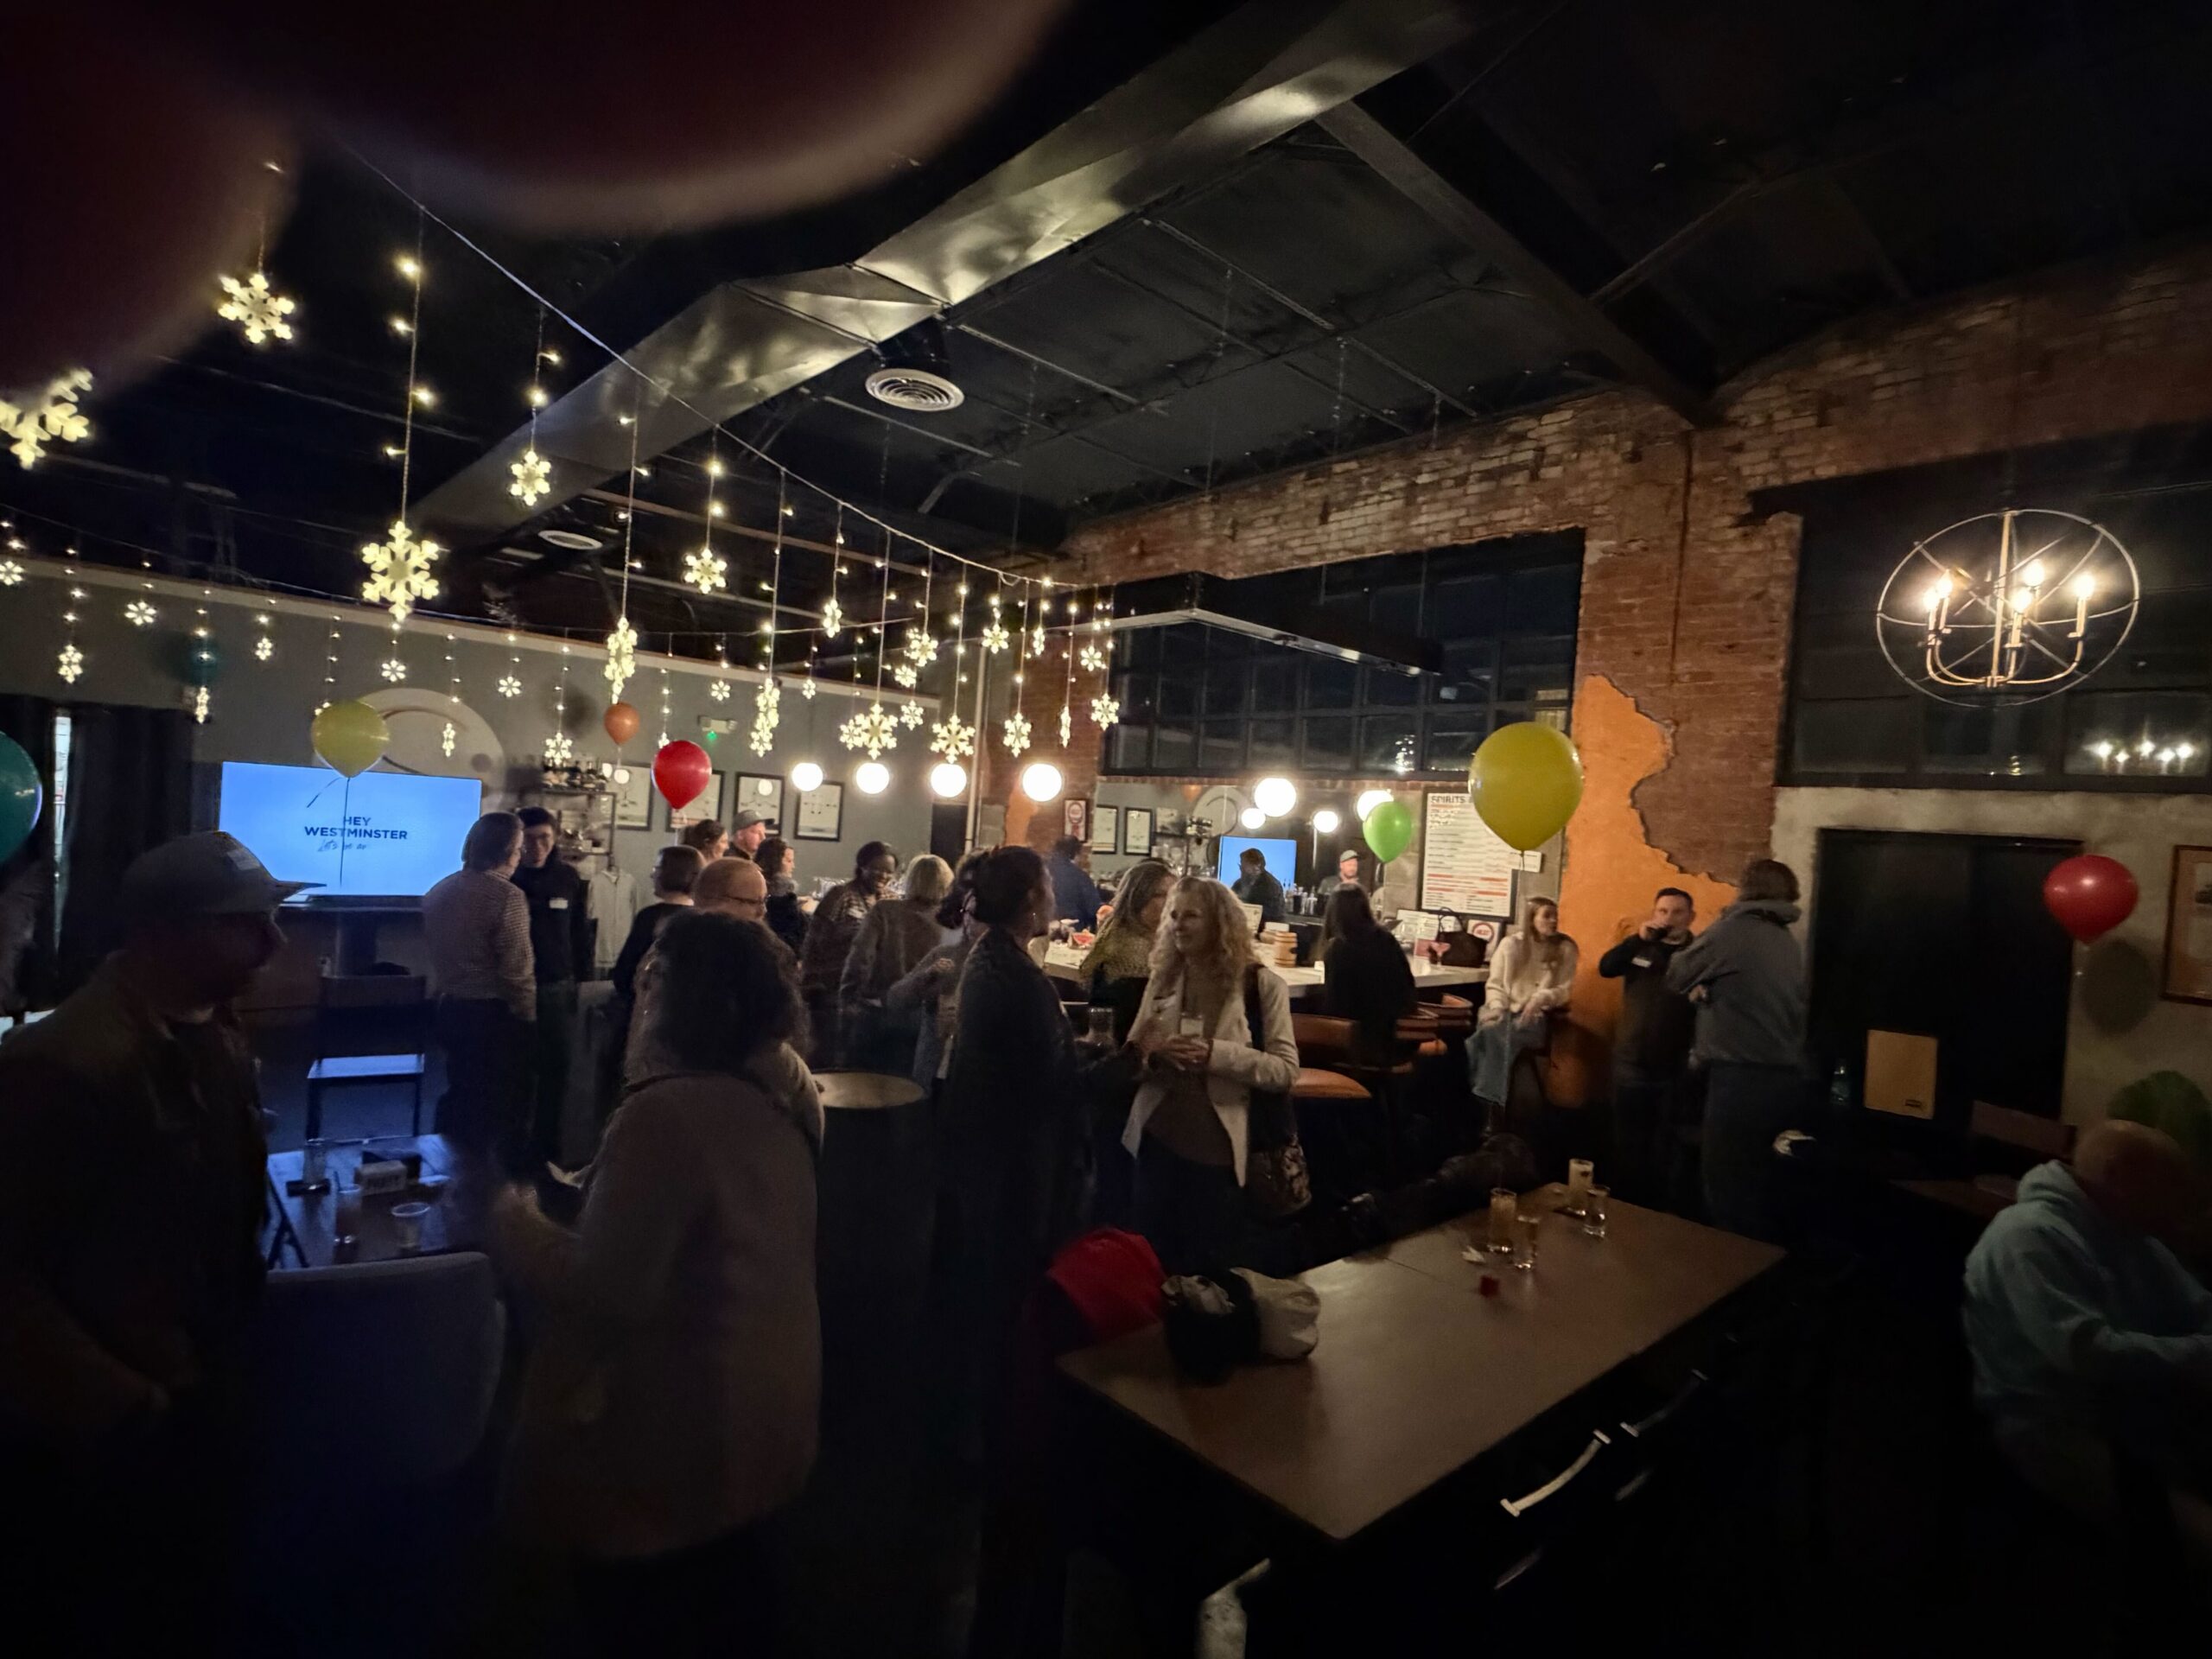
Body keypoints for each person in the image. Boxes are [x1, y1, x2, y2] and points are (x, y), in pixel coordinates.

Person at [0, 831, 303, 1648]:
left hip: (196, 1380)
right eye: (245, 923)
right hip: (111, 1431)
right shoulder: (62, 1064)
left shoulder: (212, 1029)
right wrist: (125, 1404)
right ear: (163, 934)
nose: (274, 942)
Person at [495, 912, 822, 1657]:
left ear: (669, 995)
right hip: (768, 1416)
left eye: (650, 981)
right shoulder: (775, 1098)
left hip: (676, 1447)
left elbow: (607, 1290)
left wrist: (513, 1220)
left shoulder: (664, 1113)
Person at [939, 847, 1135, 1446]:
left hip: (989, 1155)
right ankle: (1008, 1428)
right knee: (1013, 1293)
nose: (1054, 893)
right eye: (1047, 884)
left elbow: (1021, 1061)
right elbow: (1052, 1088)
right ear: (1030, 899)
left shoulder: (993, 958)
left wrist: (1076, 1049)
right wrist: (1133, 1061)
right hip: (1017, 1166)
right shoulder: (1015, 976)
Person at [1964, 1120, 2212, 1543]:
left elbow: (2198, 1306)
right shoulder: (2027, 1236)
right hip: (2053, 1427)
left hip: (2132, 1414)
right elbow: (2085, 1352)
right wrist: (2200, 1355)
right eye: (2166, 1189)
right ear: (2117, 1177)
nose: (2176, 1207)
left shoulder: (2130, 1232)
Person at [1119, 876, 1300, 1274]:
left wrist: (1216, 1055)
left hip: (1218, 1152)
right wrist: (1156, 1057)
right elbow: (1133, 1051)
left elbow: (1286, 1070)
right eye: (1173, 916)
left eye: (1191, 916)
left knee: (1208, 1268)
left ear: (1219, 922)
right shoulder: (1164, 977)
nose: (1178, 925)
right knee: (1151, 1265)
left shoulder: (1261, 986)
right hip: (1156, 1142)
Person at [1665, 858, 1806, 1241]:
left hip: (1741, 1076)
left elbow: (1677, 974)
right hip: (1782, 1076)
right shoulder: (1783, 938)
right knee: (1756, 1183)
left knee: (1727, 1186)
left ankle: (1732, 1267)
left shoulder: (1736, 929)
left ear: (1745, 888)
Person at [423, 811, 535, 1165]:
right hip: (491, 1015)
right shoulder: (506, 897)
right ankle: (491, 1180)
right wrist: (528, 1014)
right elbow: (516, 969)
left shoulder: (440, 889)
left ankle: (450, 1166)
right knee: (497, 1103)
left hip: (450, 1007)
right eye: (518, 849)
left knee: (461, 1089)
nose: (520, 857)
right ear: (504, 851)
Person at [1598, 887, 1699, 1206]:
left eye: (1678, 912)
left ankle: (1658, 1211)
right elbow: (1606, 967)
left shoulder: (1699, 954)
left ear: (1691, 917)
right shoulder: (1641, 948)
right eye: (1663, 911)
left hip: (1673, 1064)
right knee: (1626, 1141)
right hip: (1630, 1059)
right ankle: (1624, 1208)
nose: (1669, 918)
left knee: (1664, 1144)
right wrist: (1637, 940)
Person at [512, 806, 591, 1164]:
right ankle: (514, 1145)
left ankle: (549, 1148)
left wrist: (582, 982)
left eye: (544, 838)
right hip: (516, 987)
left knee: (556, 1071)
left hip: (558, 986)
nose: (537, 846)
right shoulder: (508, 879)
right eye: (529, 839)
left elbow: (580, 933)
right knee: (517, 1070)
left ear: (555, 837)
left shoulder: (568, 878)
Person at [840, 853, 953, 1072]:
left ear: (910, 879)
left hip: (878, 1011)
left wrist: (848, 999)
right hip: (923, 1018)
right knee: (910, 1085)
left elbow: (860, 959)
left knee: (864, 1082)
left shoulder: (885, 910)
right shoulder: (950, 921)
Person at [1466, 896, 1578, 1112]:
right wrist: (1497, 1006)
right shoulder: (1511, 945)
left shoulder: (1565, 948)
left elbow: (1564, 990)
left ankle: (1485, 1101)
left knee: (1487, 1035)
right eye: (1547, 916)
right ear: (1531, 919)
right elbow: (1496, 984)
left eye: (1555, 916)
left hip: (1535, 1017)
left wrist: (1541, 998)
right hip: (1502, 1009)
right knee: (1491, 1027)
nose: (1553, 921)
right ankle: (1489, 1101)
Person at [886, 859, 985, 1096]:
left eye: (979, 915)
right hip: (932, 1073)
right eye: (968, 913)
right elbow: (895, 999)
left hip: (975, 1082)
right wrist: (925, 977)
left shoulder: (1006, 967)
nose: (970, 921)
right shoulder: (946, 955)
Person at [798, 841, 896, 1065]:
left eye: (889, 871)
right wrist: (812, 983)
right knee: (827, 1055)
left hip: (867, 993)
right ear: (862, 866)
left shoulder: (890, 902)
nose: (883, 875)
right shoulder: (840, 896)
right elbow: (814, 942)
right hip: (830, 989)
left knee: (858, 1059)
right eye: (877, 868)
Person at [1320, 885, 1417, 1064]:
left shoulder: (1339, 949)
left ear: (1332, 913)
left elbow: (1335, 1005)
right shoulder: (1387, 939)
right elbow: (1409, 988)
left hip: (1358, 1046)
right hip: (1397, 1041)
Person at [1079, 858, 1173, 1041]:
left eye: (1174, 894)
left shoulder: (1163, 941)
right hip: (1126, 1045)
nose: (1171, 902)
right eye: (1161, 895)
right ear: (1138, 899)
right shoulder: (1127, 950)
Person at [755, 835, 807, 957]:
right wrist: (805, 910)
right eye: (788, 861)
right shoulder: (780, 892)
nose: (793, 866)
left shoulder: (757, 883)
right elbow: (791, 928)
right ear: (775, 861)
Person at [1045, 835, 1103, 931]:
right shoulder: (1080, 876)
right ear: (1076, 854)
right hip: (1073, 929)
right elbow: (1093, 909)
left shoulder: (1040, 871)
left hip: (1044, 929)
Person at [1230, 846, 1285, 926]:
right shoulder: (1239, 884)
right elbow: (1230, 901)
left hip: (1268, 928)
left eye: (1244, 864)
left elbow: (1273, 913)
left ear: (1257, 865)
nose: (1241, 868)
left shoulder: (1271, 885)